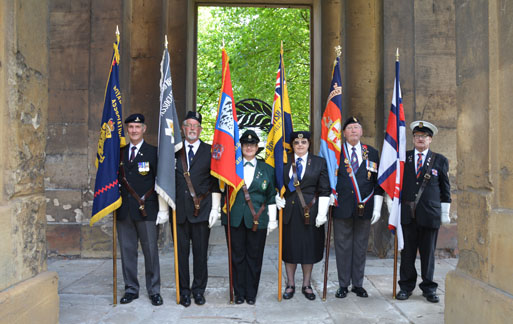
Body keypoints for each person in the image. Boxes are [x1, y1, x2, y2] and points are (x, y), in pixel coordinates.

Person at [395, 120, 451, 303]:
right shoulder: (404, 157)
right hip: (407, 215)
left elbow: (445, 189)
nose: (420, 139)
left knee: (428, 254)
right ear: (413, 138)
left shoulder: (440, 160)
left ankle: (428, 288)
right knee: (407, 254)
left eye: (424, 136)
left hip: (430, 215)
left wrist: (445, 213)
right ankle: (405, 286)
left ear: (430, 139)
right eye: (417, 136)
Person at [220, 130, 277, 305]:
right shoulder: (231, 167)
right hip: (235, 217)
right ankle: (239, 293)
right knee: (236, 257)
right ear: (241, 147)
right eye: (246, 145)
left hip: (257, 219)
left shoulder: (267, 169)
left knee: (254, 257)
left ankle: (251, 293)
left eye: (252, 145)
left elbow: (271, 196)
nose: (249, 147)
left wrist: (273, 219)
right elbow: (221, 190)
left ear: (257, 147)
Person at [331, 116, 384, 299]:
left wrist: (377, 208)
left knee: (361, 246)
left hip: (365, 207)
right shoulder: (335, 152)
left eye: (356, 128)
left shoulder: (373, 152)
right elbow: (328, 178)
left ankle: (358, 284)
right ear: (344, 133)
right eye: (350, 128)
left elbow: (378, 183)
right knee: (342, 247)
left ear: (361, 132)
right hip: (342, 207)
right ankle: (343, 285)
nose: (353, 130)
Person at [275, 131, 330, 301]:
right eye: (296, 142)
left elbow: (324, 189)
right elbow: (277, 184)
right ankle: (290, 284)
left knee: (309, 249)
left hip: (310, 213)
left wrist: (322, 213)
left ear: (309, 144)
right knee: (290, 249)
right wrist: (276, 196)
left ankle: (307, 284)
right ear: (292, 145)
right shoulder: (284, 162)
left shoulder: (319, 162)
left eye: (303, 142)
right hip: (289, 213)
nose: (300, 145)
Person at [117, 113, 164, 306]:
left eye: (137, 127)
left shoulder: (154, 152)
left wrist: (163, 209)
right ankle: (131, 289)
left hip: (147, 210)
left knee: (150, 252)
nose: (134, 130)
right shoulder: (119, 152)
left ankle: (154, 290)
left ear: (144, 129)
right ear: (127, 130)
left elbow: (160, 181)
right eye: (130, 127)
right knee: (127, 251)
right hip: (124, 210)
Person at [175, 111, 221, 307]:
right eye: (189, 126)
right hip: (179, 212)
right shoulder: (174, 152)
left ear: (200, 130)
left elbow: (216, 184)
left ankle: (198, 290)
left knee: (201, 254)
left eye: (196, 126)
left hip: (202, 211)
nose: (192, 129)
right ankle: (184, 291)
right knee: (181, 254)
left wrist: (215, 209)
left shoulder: (211, 152)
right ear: (183, 129)